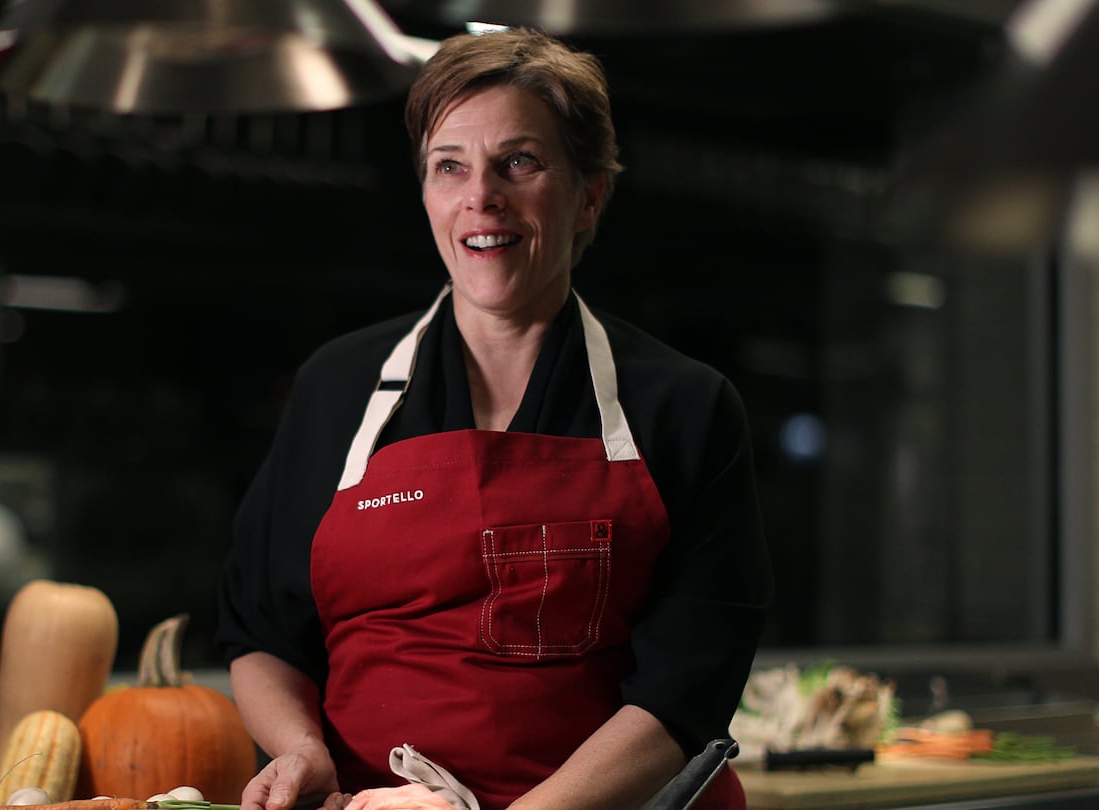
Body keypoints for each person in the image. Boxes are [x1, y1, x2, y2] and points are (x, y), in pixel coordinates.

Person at [214, 26, 773, 810]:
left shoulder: (684, 407)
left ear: (589, 196)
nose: (482, 196)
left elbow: (687, 689)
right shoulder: (336, 387)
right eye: (450, 167)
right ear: (427, 194)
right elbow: (263, 634)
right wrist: (302, 751)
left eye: (520, 162)